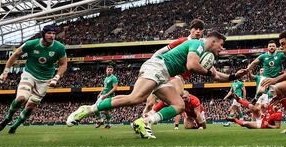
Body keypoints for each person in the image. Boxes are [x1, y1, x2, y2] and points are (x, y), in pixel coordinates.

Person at [66, 31, 233, 140]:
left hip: (164, 75)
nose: (222, 48)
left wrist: (233, 76)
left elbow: (217, 75)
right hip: (157, 66)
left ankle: (144, 122)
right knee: (136, 98)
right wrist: (210, 73)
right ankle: (88, 109)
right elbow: (192, 66)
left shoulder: (203, 53)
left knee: (179, 105)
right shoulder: (197, 44)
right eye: (221, 44)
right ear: (213, 41)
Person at [0, 25, 67, 134]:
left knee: (30, 106)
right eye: (49, 33)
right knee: (21, 98)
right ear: (43, 34)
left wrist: (56, 78)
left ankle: (15, 126)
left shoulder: (59, 47)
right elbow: (15, 55)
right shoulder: (31, 44)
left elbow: (63, 64)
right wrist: (5, 71)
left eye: (53, 34)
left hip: (45, 80)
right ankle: (8, 118)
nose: (52, 36)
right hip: (29, 74)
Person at [95, 64, 119, 128]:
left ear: (112, 71)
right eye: (108, 70)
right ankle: (101, 120)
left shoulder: (114, 78)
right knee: (96, 108)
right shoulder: (106, 78)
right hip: (103, 95)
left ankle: (107, 123)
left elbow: (115, 88)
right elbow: (105, 87)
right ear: (106, 70)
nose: (109, 71)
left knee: (105, 111)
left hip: (109, 96)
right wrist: (100, 93)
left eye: (111, 70)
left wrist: (106, 95)